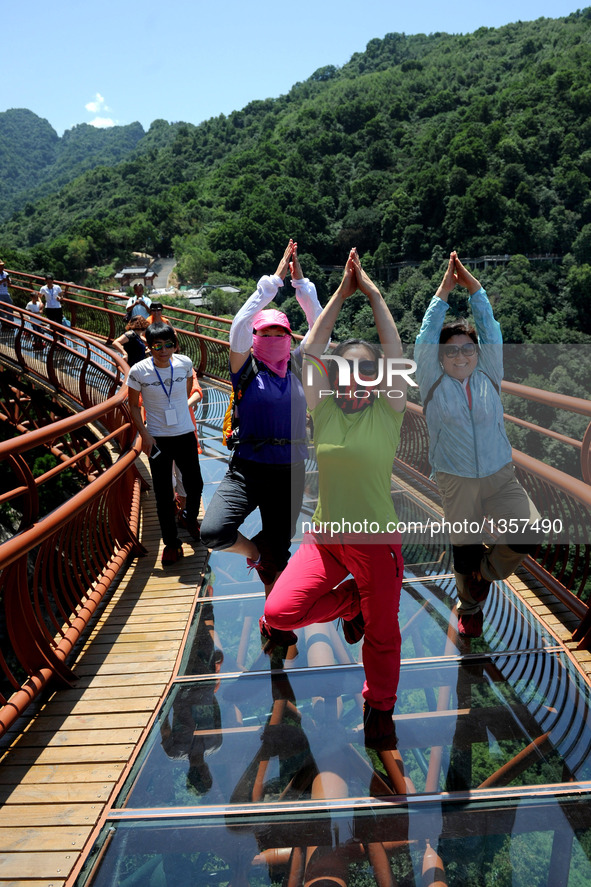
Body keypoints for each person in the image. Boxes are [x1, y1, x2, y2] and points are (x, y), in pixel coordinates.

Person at [262, 248, 407, 746]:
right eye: (347, 372)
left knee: (384, 636)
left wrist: (372, 292)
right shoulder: (322, 408)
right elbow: (311, 348)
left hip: (376, 541)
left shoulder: (387, 413)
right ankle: (352, 606)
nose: (357, 380)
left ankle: (379, 707)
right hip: (325, 540)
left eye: (368, 373)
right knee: (279, 613)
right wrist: (341, 295)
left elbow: (394, 350)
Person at [414, 251, 541, 639]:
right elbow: (424, 336)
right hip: (456, 478)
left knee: (529, 532)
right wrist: (445, 290)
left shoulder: (490, 373)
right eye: (451, 349)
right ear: (440, 356)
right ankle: (469, 608)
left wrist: (474, 288)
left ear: (477, 353)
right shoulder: (432, 382)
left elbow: (489, 327)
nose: (460, 354)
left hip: (501, 474)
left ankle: (485, 574)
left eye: (467, 348)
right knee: (464, 548)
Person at [200, 240, 322, 595]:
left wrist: (302, 286)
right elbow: (239, 323)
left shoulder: (299, 364)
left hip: (290, 470)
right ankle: (255, 553)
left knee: (279, 551)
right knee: (214, 532)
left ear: (289, 337)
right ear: (254, 338)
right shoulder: (246, 368)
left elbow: (318, 324)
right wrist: (275, 280)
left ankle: (278, 622)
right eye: (264, 333)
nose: (272, 338)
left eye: (279, 333)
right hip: (247, 468)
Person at [126, 321, 204, 566]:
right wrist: (145, 436)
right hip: (157, 438)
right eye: (157, 346)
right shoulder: (138, 371)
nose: (163, 350)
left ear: (175, 345)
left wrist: (181, 409)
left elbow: (188, 390)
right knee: (162, 495)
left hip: (184, 434)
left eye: (168, 345)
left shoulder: (185, 364)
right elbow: (133, 406)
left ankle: (189, 517)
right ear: (149, 347)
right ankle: (171, 544)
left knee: (195, 484)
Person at [0, 260, 14, 328]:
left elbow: (10, 284)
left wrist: (8, 281)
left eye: (2, 266)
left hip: (6, 293)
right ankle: (4, 323)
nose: (2, 267)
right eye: (1, 266)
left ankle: (11, 322)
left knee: (10, 307)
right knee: (1, 309)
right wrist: (3, 280)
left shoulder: (6, 273)